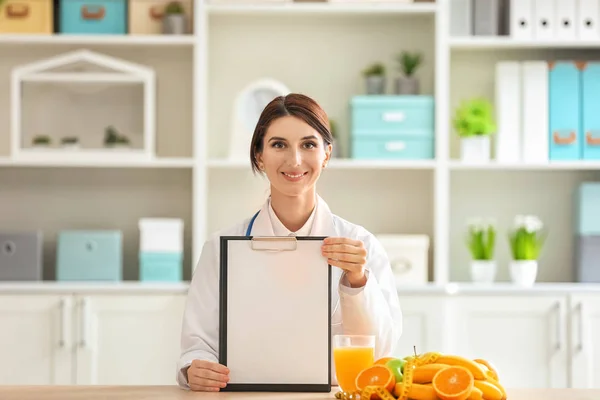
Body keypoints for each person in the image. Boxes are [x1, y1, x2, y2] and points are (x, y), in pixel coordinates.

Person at [176, 93, 403, 392]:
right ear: (259, 155)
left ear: (327, 153)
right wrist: (195, 369)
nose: (294, 160)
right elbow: (197, 344)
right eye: (278, 144)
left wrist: (357, 282)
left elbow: (381, 356)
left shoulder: (361, 245)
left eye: (308, 144)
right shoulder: (221, 248)